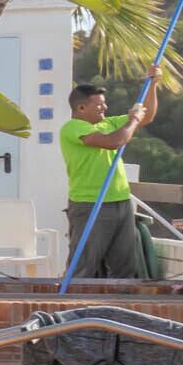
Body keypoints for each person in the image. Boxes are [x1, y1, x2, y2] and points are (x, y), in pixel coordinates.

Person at [56, 80, 154, 282]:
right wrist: (133, 120)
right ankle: (72, 299)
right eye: (99, 105)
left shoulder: (108, 124)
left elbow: (148, 115)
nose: (105, 108)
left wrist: (154, 84)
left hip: (121, 201)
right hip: (90, 203)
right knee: (84, 265)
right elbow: (113, 142)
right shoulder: (72, 128)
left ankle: (120, 300)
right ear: (81, 108)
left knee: (126, 265)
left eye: (104, 103)